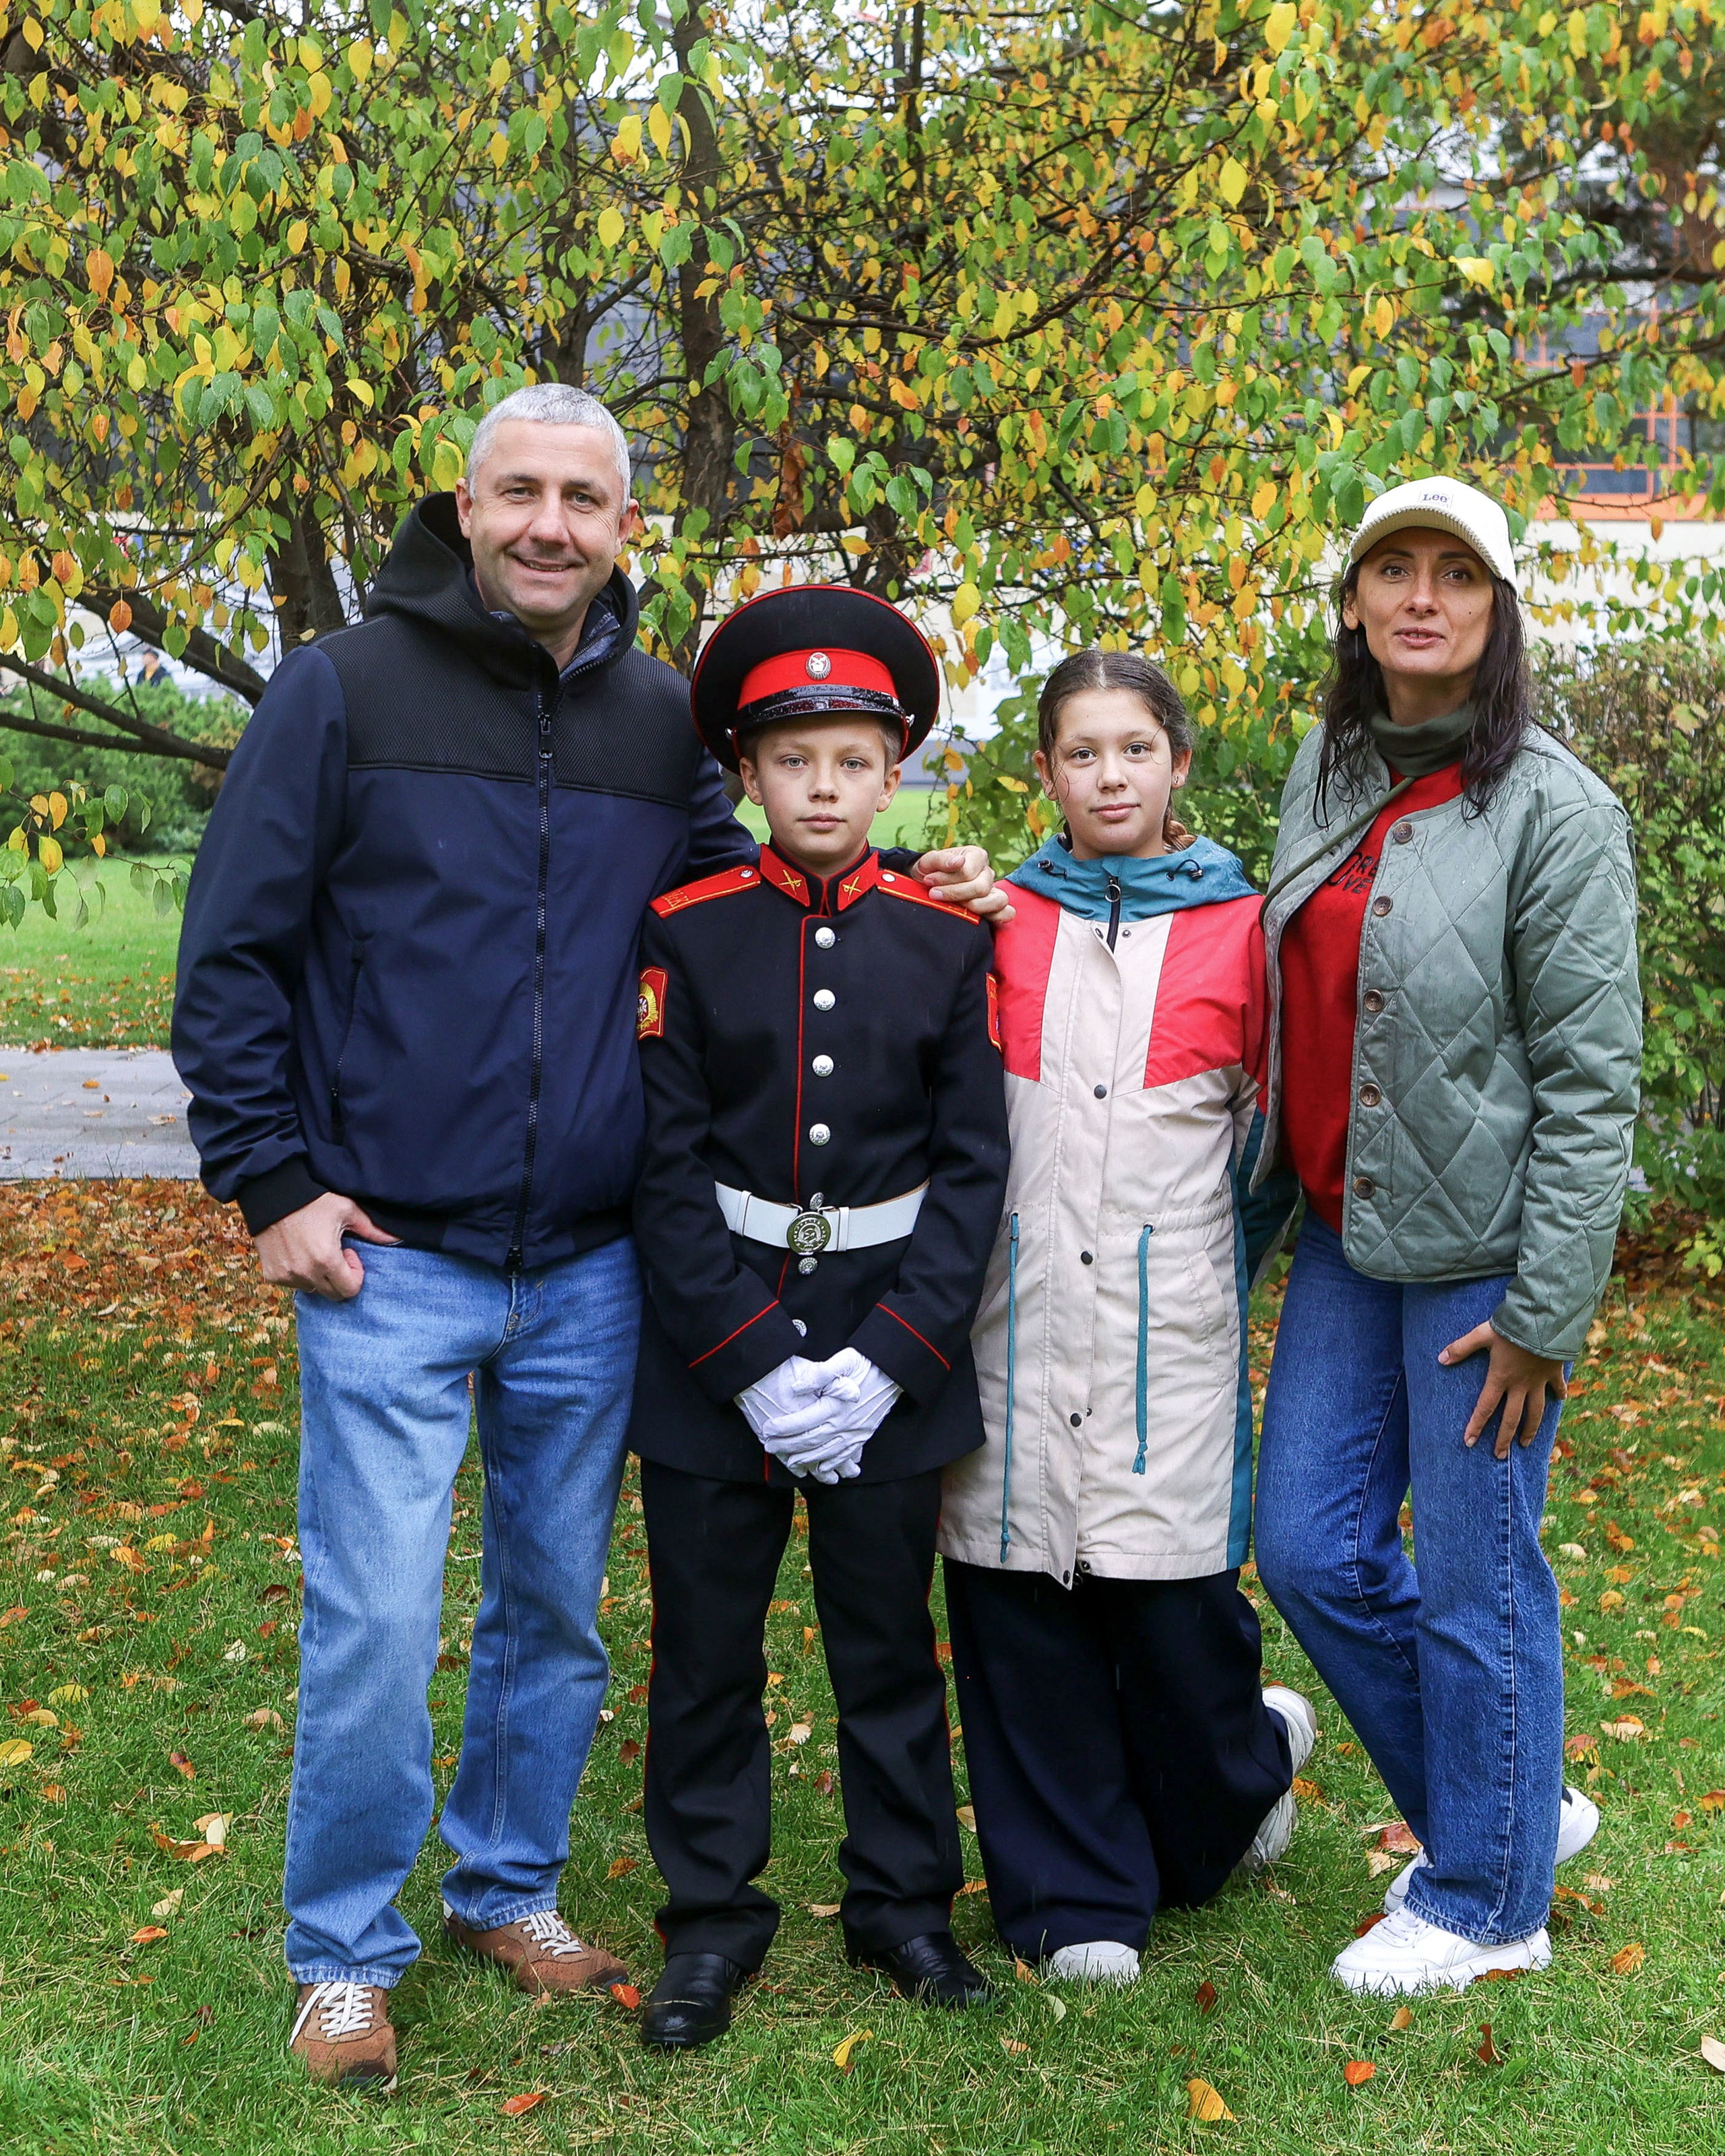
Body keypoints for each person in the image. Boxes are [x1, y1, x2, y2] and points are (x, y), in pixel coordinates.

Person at [170, 383, 1001, 2090]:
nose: (551, 523)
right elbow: (231, 952)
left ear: (627, 528)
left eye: (587, 499)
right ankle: (342, 1951)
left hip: (593, 1264)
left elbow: (764, 894)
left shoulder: (648, 721)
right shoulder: (341, 690)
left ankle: (511, 1885)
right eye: (519, 492)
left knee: (555, 1611)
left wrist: (923, 881)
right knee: (381, 1618)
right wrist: (268, 1180)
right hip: (389, 1249)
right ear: (463, 507)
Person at [1251, 476, 1641, 1996]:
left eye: (1455, 575)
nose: (1421, 597)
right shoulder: (1324, 765)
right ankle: (1514, 1800)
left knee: (1478, 1579)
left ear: (1496, 608)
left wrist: (1547, 1307)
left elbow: (1589, 1078)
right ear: (1352, 604)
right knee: (1306, 1548)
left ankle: (1488, 1898)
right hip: (1349, 1235)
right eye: (1391, 571)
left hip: (1484, 1256)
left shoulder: (1554, 809)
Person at [626, 585, 1011, 2050]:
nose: (825, 787)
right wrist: (750, 1364)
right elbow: (665, 1172)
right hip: (717, 1343)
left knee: (886, 1646)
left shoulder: (942, 933)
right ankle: (708, 1924)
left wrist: (888, 1357)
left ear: (894, 770)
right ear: (747, 774)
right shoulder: (687, 929)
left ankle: (903, 1904)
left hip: (888, 1337)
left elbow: (973, 1172)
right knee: (706, 1649)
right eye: (795, 761)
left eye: (854, 759)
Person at [936, 649, 1312, 1987]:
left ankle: (1241, 1766)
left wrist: (1209, 1262)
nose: (1108, 775)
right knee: (1015, 1603)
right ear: (1041, 772)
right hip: (1014, 1322)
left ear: (1176, 767)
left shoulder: (1244, 929)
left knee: (1174, 1627)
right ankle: (1070, 1896)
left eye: (1133, 749)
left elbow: (1274, 1139)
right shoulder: (992, 923)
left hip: (1174, 1330)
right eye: (1080, 751)